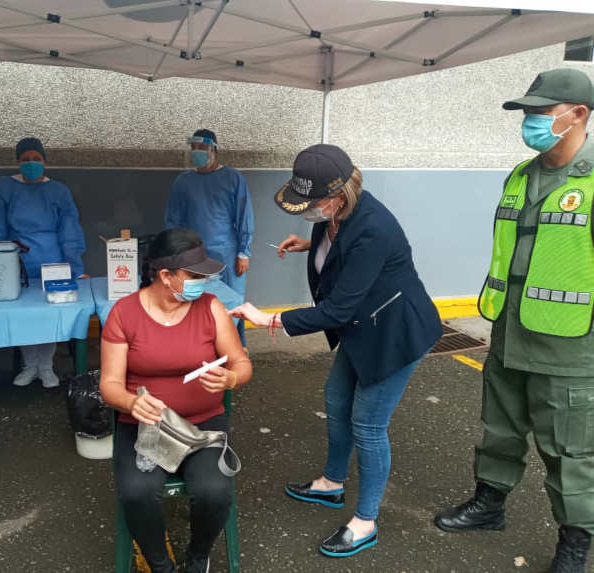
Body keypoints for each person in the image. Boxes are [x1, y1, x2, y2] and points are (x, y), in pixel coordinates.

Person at [231, 144, 442, 558]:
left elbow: (338, 309)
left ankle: (365, 521)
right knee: (336, 398)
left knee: (368, 425)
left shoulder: (374, 228)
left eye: (312, 203)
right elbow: (339, 252)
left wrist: (270, 319)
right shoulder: (333, 215)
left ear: (337, 197)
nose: (307, 210)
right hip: (362, 327)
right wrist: (309, 245)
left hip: (395, 333)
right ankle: (331, 483)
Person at [434, 68, 594, 573]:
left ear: (578, 115)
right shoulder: (520, 176)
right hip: (508, 334)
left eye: (541, 112)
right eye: (528, 112)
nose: (530, 121)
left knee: (569, 451)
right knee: (499, 430)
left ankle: (575, 544)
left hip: (569, 347)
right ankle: (489, 505)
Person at [100, 228, 252, 573]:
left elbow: (241, 364)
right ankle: (161, 565)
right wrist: (130, 402)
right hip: (145, 426)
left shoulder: (210, 308)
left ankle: (198, 556)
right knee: (137, 493)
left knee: (214, 492)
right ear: (166, 276)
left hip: (203, 425)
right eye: (194, 276)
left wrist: (230, 378)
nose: (202, 282)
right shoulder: (125, 313)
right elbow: (109, 384)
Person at [0, 137, 86, 389]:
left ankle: (46, 366)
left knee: (49, 314)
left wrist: (75, 268)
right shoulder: (4, 188)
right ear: (17, 162)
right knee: (23, 315)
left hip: (53, 260)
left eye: (36, 159)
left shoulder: (58, 191)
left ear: (44, 161)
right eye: (25, 159)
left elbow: (69, 230)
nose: (31, 163)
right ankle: (29, 366)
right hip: (16, 261)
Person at [165, 128, 254, 350]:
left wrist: (244, 252)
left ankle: (236, 349)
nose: (198, 151)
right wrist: (175, 252)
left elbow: (244, 216)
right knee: (197, 301)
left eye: (203, 147)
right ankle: (201, 348)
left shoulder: (232, 178)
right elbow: (173, 220)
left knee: (232, 303)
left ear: (214, 150)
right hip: (193, 254)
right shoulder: (183, 181)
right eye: (194, 148)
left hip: (227, 253)